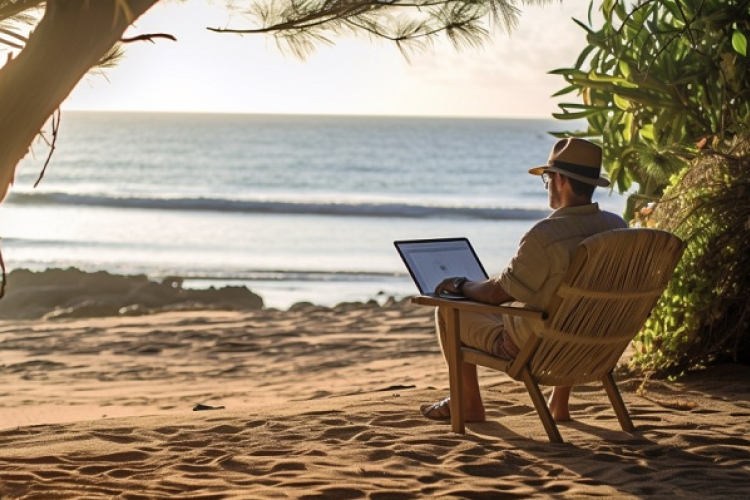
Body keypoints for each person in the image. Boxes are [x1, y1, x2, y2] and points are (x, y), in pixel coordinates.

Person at [420, 137, 627, 423]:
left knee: (447, 309)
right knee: (569, 304)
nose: (547, 187)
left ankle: (468, 404)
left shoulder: (546, 235)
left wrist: (461, 285)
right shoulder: (617, 227)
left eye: (547, 178)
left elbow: (497, 294)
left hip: (533, 349)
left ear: (561, 181)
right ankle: (559, 404)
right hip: (592, 344)